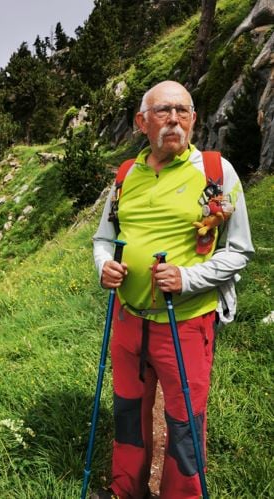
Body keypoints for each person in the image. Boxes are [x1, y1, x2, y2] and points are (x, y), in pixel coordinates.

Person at [91, 80, 254, 499]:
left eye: (184, 111)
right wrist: (104, 267)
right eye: (163, 111)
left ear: (195, 119)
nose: (175, 120)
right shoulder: (127, 175)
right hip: (128, 319)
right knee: (128, 410)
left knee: (184, 420)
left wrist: (188, 278)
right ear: (141, 122)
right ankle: (126, 490)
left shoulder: (217, 172)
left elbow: (240, 251)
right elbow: (103, 238)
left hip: (185, 321)